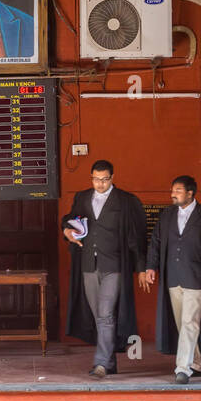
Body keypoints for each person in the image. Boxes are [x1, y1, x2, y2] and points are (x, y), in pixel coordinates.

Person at [62, 159, 148, 377]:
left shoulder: (126, 201)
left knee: (105, 313)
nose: (100, 184)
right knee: (97, 313)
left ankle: (101, 363)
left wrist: (142, 268)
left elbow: (136, 238)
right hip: (89, 263)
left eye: (104, 179)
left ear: (112, 178)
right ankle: (109, 362)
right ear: (91, 178)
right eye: (96, 179)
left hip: (115, 265)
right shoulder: (82, 198)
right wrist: (67, 232)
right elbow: (70, 220)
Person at [144, 175, 201, 385]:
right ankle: (198, 364)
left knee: (189, 322)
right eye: (173, 190)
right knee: (183, 323)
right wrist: (150, 266)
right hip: (173, 276)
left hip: (196, 277)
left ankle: (182, 368)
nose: (173, 194)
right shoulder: (167, 215)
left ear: (191, 193)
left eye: (178, 190)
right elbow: (155, 242)